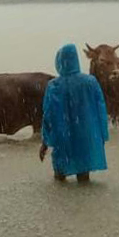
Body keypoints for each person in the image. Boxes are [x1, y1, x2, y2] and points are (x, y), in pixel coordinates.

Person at [39, 44, 109, 183]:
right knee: (84, 179)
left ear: (59, 61)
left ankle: (63, 205)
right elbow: (101, 110)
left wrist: (45, 142)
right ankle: (87, 204)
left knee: (60, 180)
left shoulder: (54, 86)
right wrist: (103, 136)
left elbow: (48, 116)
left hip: (62, 139)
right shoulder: (90, 82)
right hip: (86, 138)